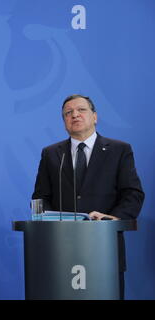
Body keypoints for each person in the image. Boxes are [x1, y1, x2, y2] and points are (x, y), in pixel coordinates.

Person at [32, 94, 144, 299]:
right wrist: (45, 220)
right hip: (60, 246)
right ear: (64, 122)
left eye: (81, 110)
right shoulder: (51, 154)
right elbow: (40, 198)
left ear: (94, 117)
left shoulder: (119, 150)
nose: (74, 115)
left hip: (104, 245)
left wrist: (113, 218)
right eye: (68, 113)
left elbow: (132, 193)